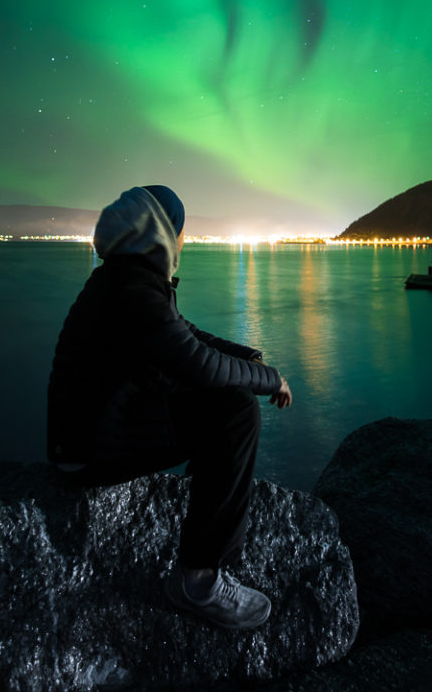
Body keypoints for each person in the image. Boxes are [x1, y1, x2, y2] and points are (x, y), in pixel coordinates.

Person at [47, 185, 292, 630]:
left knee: (220, 397)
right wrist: (269, 379)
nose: (184, 241)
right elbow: (197, 364)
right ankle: (199, 581)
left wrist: (247, 355)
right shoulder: (131, 292)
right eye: (181, 231)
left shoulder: (126, 280)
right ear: (162, 234)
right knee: (234, 409)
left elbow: (184, 333)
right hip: (91, 452)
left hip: (95, 434)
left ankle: (205, 515)